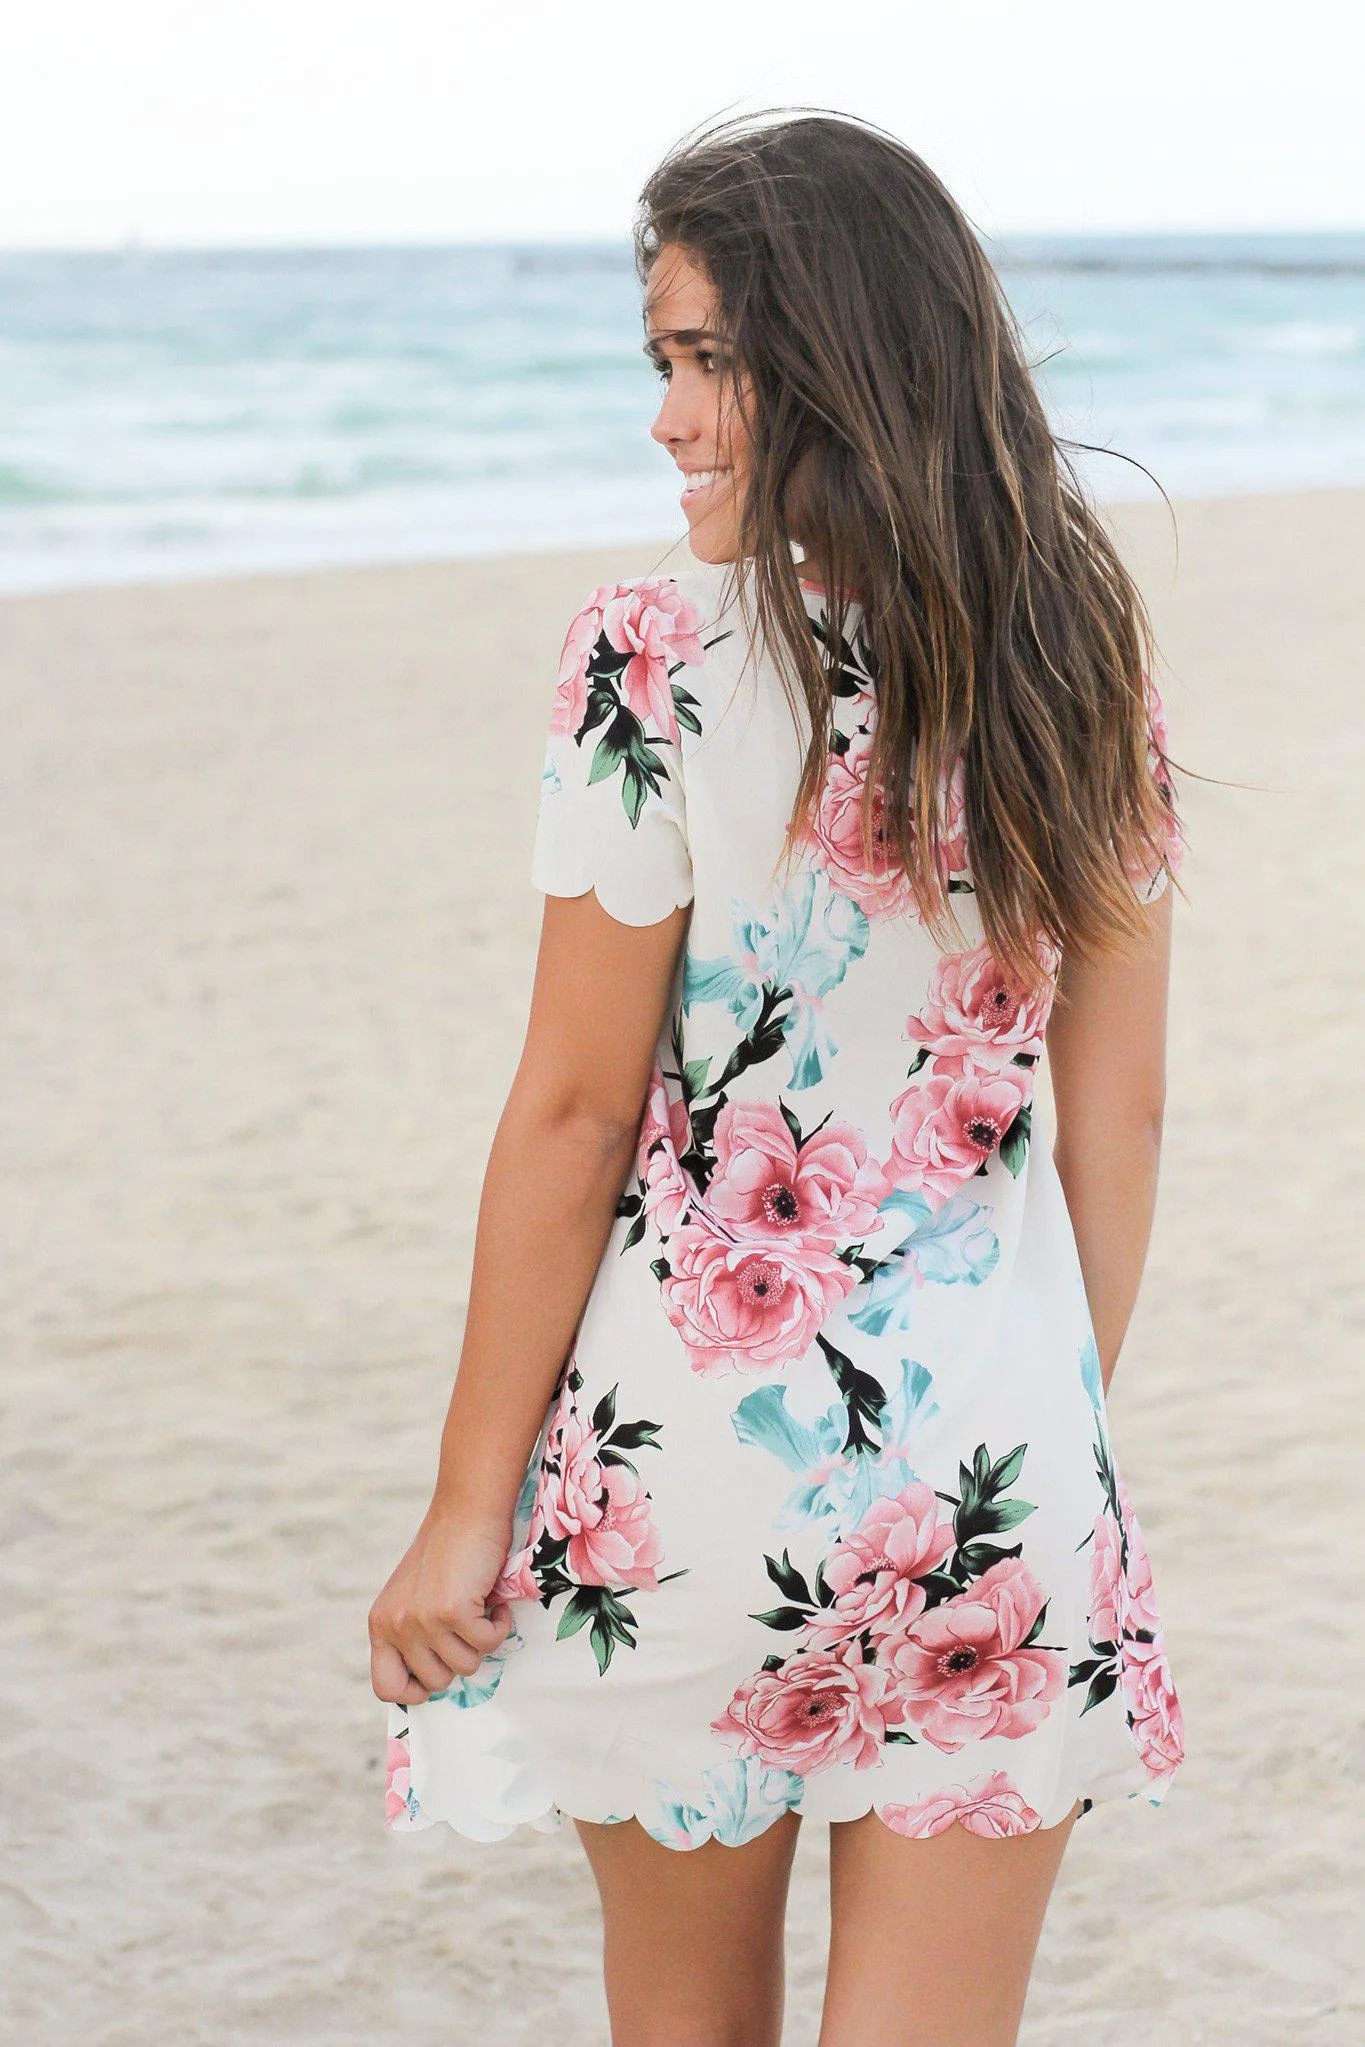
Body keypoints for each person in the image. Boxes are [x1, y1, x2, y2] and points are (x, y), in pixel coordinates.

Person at [369, 110, 1186, 2047]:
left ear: (837, 350)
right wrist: (1043, 1432)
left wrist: (461, 1507)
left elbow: (573, 1116)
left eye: (703, 358)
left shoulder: (644, 658)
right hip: (994, 1470)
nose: (667, 419)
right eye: (658, 364)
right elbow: (1120, 1118)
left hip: (687, 1477)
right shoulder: (1076, 651)